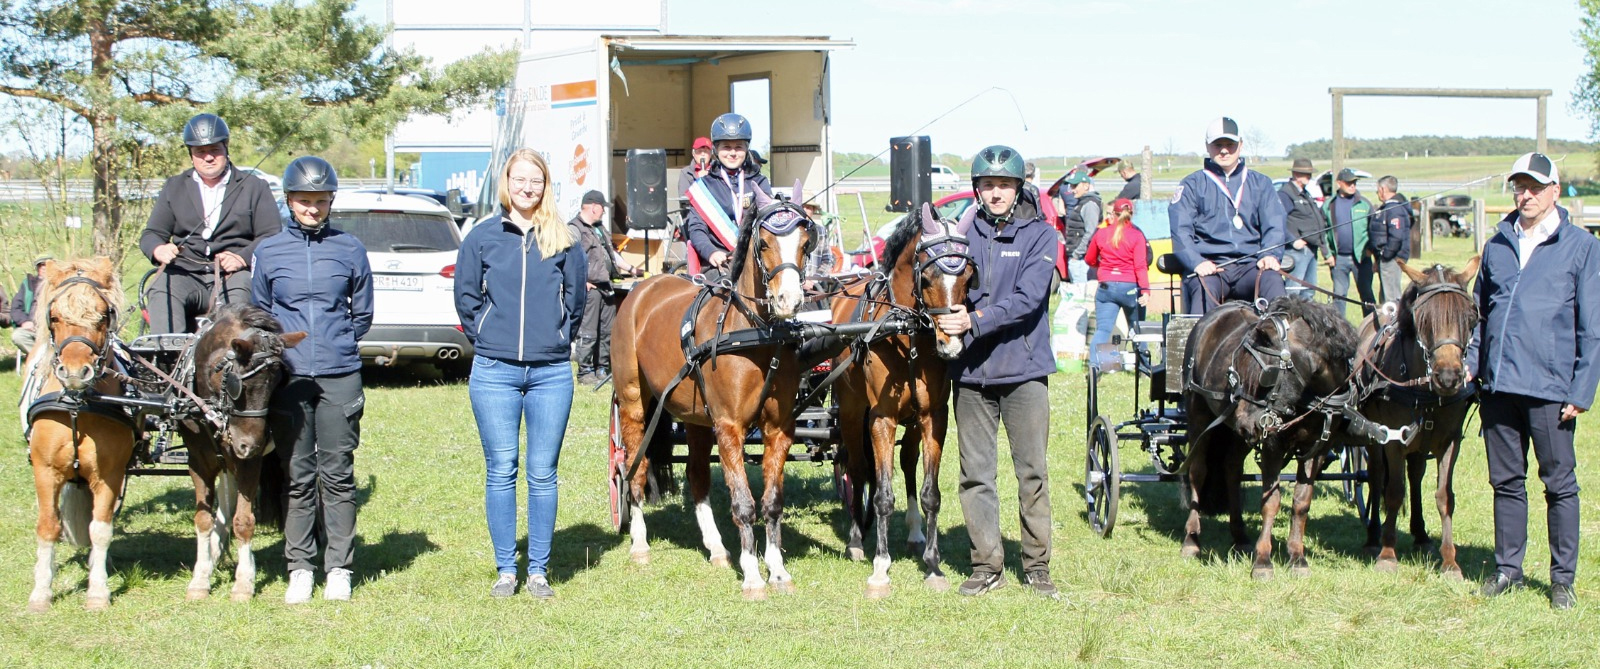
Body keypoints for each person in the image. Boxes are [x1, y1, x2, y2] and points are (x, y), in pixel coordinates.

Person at [1467, 152, 1600, 611]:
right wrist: (1473, 362)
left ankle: (1562, 580)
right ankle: (1508, 569)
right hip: (1499, 387)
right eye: (1519, 186)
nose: (1525, 194)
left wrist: (1581, 390)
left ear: (1554, 192)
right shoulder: (1498, 243)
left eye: (1534, 186)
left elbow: (1592, 327)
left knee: (1559, 485)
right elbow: (1479, 314)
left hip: (1551, 389)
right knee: (1506, 482)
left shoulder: (1581, 246)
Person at [454, 148, 586, 599]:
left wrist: (555, 335)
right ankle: (506, 569)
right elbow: (466, 297)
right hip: (494, 371)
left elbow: (577, 300)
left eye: (536, 181)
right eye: (519, 180)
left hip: (551, 372)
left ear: (546, 185)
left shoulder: (563, 238)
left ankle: (539, 571)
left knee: (543, 472)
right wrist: (490, 336)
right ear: (506, 183)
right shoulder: (482, 236)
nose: (527, 188)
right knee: (501, 469)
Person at [933, 145, 1059, 599]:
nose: (996, 193)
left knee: (1032, 473)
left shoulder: (1041, 236)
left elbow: (1028, 299)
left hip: (1024, 371)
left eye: (1004, 185)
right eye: (987, 185)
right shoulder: (960, 235)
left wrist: (974, 320)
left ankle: (1037, 566)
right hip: (970, 373)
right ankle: (986, 565)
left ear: (1018, 187)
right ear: (977, 190)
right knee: (975, 474)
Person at [250, 156, 373, 604]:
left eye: (321, 201)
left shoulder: (350, 249)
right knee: (297, 475)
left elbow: (362, 314)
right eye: (305, 201)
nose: (313, 209)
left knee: (337, 474)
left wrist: (335, 344)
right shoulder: (269, 251)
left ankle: (339, 565)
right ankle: (300, 565)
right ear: (290, 201)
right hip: (289, 378)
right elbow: (261, 312)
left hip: (340, 375)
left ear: (331, 202)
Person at [140, 113, 281, 334]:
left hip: (233, 276)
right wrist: (159, 249)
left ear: (226, 148)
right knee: (160, 289)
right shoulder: (174, 187)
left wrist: (242, 258)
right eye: (200, 152)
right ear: (191, 154)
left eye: (214, 150)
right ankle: (166, 359)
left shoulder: (254, 187)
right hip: (185, 274)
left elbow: (271, 235)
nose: (208, 158)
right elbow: (151, 234)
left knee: (238, 308)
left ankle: (232, 363)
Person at [1168, 117, 1286, 315]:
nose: (1224, 150)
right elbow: (1181, 231)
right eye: (1217, 144)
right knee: (1203, 294)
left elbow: (1275, 226)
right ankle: (1197, 344)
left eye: (1230, 144)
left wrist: (1269, 255)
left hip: (1251, 266)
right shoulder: (1192, 185)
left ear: (1240, 145)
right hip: (1211, 268)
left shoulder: (1262, 184)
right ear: (1207, 146)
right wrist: (1197, 262)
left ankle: (1283, 343)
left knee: (1273, 281)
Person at [683, 113, 773, 276]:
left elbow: (769, 223)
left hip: (755, 262)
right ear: (715, 150)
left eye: (739, 147)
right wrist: (710, 252)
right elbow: (696, 229)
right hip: (719, 264)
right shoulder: (704, 187)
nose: (733, 153)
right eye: (726, 147)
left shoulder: (760, 183)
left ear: (747, 148)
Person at [568, 189, 639, 385]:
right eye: (602, 208)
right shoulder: (574, 230)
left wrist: (632, 269)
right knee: (588, 332)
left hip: (606, 286)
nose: (604, 212)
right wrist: (583, 283)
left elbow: (612, 254)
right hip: (590, 289)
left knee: (608, 331)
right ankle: (585, 372)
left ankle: (602, 368)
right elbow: (569, 260)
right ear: (593, 207)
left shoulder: (599, 229)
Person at [1084, 198, 1149, 368]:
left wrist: (1102, 267)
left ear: (1113, 214)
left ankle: (1094, 367)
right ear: (1131, 215)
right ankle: (1143, 367)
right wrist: (1146, 291)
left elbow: (1089, 258)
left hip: (1106, 286)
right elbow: (1141, 266)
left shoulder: (1102, 233)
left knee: (1103, 330)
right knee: (1137, 329)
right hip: (1130, 287)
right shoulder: (1137, 236)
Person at [1321, 168, 1376, 319]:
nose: (1353, 186)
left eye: (1354, 183)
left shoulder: (1364, 204)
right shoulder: (1329, 205)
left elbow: (1374, 229)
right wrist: (1328, 254)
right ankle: (1340, 330)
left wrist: (1371, 249)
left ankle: (1371, 326)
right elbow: (1322, 231)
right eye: (1349, 183)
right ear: (1339, 183)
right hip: (1339, 259)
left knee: (1367, 295)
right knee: (1339, 296)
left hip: (1361, 259)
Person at [1278, 158, 1322, 301]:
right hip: (1297, 251)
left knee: (1309, 292)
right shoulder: (1285, 194)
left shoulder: (1305, 193)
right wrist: (1292, 240)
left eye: (1309, 174)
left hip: (1311, 248)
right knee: (1293, 292)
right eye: (1305, 174)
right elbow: (1278, 221)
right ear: (1296, 174)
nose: (1309, 177)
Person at [1372, 175, 1412, 303]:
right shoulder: (1392, 208)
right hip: (1387, 258)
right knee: (1385, 295)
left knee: (1391, 298)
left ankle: (1392, 322)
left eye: (1377, 190)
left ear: (1383, 189)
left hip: (1392, 259)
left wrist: (1386, 255)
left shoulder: (1394, 209)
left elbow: (1396, 236)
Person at [1062, 170, 1101, 285]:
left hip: (1082, 260)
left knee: (1081, 297)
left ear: (1086, 186)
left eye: (1075, 186)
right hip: (1079, 258)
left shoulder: (1089, 205)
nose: (1072, 189)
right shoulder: (1081, 202)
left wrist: (1077, 254)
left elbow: (1091, 232)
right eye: (1071, 186)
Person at [10, 256, 50, 356]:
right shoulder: (28, 284)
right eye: (41, 265)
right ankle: (41, 358)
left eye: (47, 265)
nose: (44, 267)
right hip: (32, 327)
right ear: (37, 268)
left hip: (52, 329)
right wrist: (24, 321)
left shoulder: (60, 285)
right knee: (18, 336)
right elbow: (15, 307)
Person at [676, 136, 714, 201]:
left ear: (711, 154)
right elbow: (683, 197)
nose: (703, 154)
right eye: (699, 151)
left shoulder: (718, 169)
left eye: (706, 151)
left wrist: (709, 178)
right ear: (693, 153)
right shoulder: (686, 172)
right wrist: (698, 181)